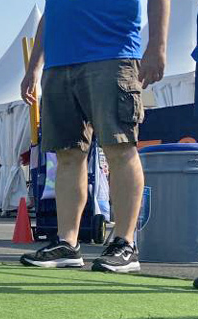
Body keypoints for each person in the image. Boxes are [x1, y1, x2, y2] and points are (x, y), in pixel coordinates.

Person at [20, 0, 169, 273]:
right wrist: (34, 67)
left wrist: (157, 45)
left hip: (113, 55)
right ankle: (67, 242)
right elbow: (51, 11)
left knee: (119, 147)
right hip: (59, 62)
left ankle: (125, 243)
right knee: (67, 154)